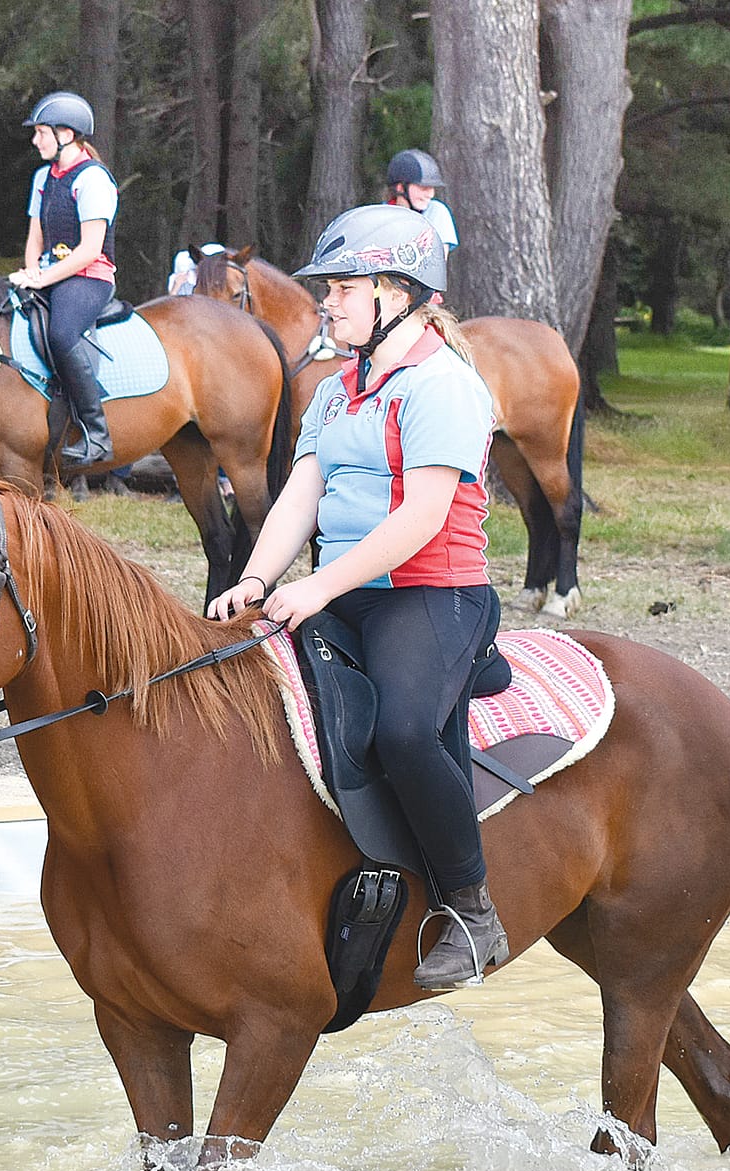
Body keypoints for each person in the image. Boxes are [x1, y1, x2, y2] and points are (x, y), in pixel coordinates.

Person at [205, 205, 505, 990]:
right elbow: (300, 497)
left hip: (430, 595)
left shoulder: (444, 386)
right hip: (338, 590)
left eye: (342, 289)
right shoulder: (338, 391)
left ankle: (472, 913)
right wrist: (254, 581)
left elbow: (421, 518)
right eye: (328, 290)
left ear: (398, 294)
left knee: (405, 732)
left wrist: (317, 586)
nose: (326, 304)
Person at [13, 90, 119, 471]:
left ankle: (97, 433)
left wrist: (42, 279)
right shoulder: (43, 177)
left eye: (41, 132)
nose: (35, 140)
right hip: (50, 273)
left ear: (67, 135)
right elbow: (35, 238)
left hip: (89, 277)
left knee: (60, 334)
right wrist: (31, 272)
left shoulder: (93, 180)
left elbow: (90, 250)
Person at [384, 149, 459, 255]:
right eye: (423, 188)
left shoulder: (436, 212)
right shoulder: (381, 216)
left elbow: (438, 263)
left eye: (432, 188)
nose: (431, 194)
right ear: (400, 188)